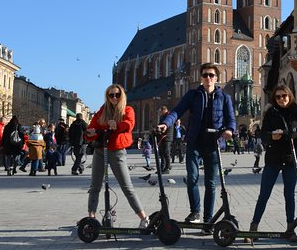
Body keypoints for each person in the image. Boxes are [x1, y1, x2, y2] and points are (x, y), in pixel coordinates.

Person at [158, 63, 235, 227]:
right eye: (205, 75)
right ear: (201, 78)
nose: (208, 78)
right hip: (194, 142)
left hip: (213, 143)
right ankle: (195, 212)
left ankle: (208, 219)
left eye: (211, 75)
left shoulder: (224, 97)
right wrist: (166, 123)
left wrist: (229, 130)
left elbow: (231, 119)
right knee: (192, 178)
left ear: (216, 78)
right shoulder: (193, 95)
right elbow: (177, 110)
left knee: (211, 183)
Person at [249, 84, 297, 241]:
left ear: (290, 96)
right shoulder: (271, 113)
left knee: (289, 195)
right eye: (278, 97)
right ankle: (253, 228)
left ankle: (291, 229)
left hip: (291, 158)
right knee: (264, 194)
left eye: (284, 96)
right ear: (274, 99)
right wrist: (271, 137)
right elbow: (263, 135)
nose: (282, 99)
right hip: (273, 158)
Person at [85, 84, 148, 228]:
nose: (114, 97)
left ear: (122, 96)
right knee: (95, 186)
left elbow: (129, 124)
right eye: (111, 95)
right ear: (107, 96)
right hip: (101, 150)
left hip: (117, 151)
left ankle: (144, 218)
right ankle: (91, 219)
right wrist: (90, 132)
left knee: (127, 187)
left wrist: (116, 126)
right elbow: (91, 127)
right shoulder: (102, 111)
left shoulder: (127, 109)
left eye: (117, 95)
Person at [158, 106, 173, 173]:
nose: (160, 113)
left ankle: (167, 168)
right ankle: (162, 168)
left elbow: (167, 126)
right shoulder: (162, 117)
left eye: (161, 111)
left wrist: (161, 131)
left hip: (167, 137)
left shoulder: (169, 116)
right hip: (162, 137)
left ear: (164, 110)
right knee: (161, 153)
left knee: (166, 153)